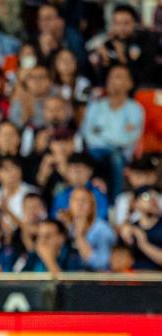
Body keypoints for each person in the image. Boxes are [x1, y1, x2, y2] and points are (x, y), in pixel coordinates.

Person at [81, 65, 144, 199]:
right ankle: (87, 198)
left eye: (119, 77)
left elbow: (128, 139)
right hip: (96, 151)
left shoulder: (135, 109)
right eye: (111, 76)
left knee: (115, 157)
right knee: (85, 160)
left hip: (122, 155)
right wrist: (114, 135)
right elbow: (88, 134)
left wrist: (101, 132)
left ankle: (116, 201)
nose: (113, 80)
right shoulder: (96, 106)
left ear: (130, 83)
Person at [59, 187, 116, 272]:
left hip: (94, 280)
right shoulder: (64, 227)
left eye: (84, 200)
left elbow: (101, 264)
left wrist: (80, 237)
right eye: (75, 200)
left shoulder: (103, 230)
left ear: (92, 205)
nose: (79, 204)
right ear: (69, 204)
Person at [119, 186, 162, 271]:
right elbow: (116, 262)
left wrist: (143, 243)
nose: (153, 200)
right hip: (134, 280)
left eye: (156, 196)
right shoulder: (129, 229)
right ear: (135, 203)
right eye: (147, 196)